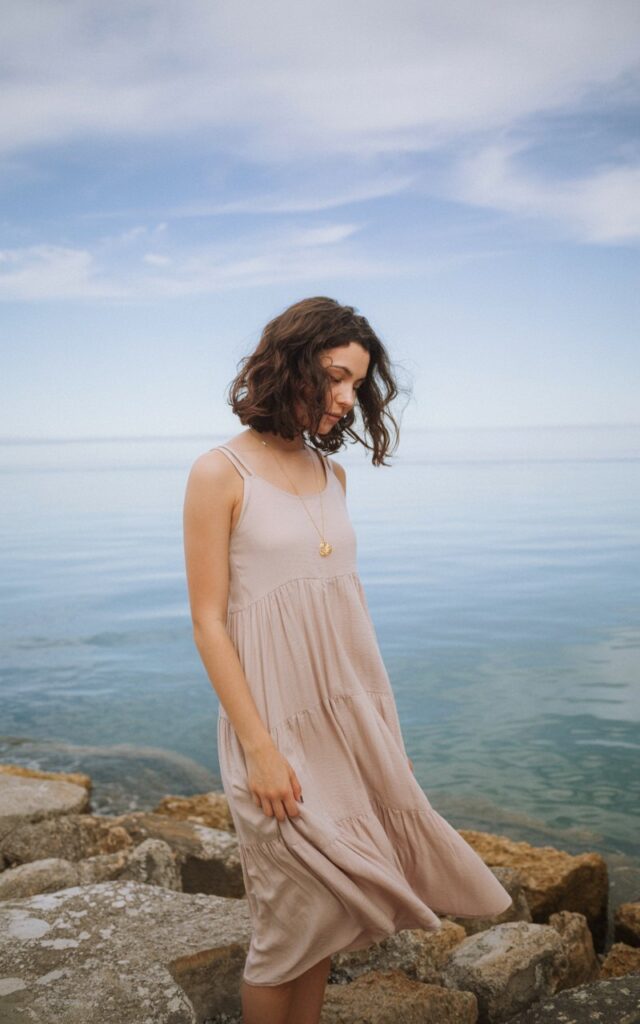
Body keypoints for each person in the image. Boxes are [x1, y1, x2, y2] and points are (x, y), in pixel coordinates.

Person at [183, 296, 513, 1024]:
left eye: (356, 384)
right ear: (289, 365)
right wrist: (259, 749)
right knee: (283, 930)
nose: (345, 399)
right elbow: (209, 621)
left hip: (345, 729)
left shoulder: (334, 478)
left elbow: (347, 625)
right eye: (333, 377)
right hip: (272, 733)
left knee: (327, 918)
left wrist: (384, 739)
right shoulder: (220, 472)